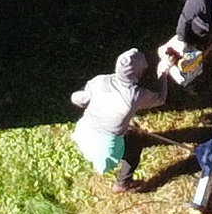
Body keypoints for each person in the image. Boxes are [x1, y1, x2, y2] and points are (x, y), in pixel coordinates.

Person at [68, 48, 165, 180]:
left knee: (127, 131)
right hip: (106, 147)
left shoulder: (100, 80)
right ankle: (122, 183)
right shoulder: (134, 95)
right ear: (138, 72)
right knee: (135, 145)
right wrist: (163, 72)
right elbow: (160, 99)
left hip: (85, 132)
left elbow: (80, 99)